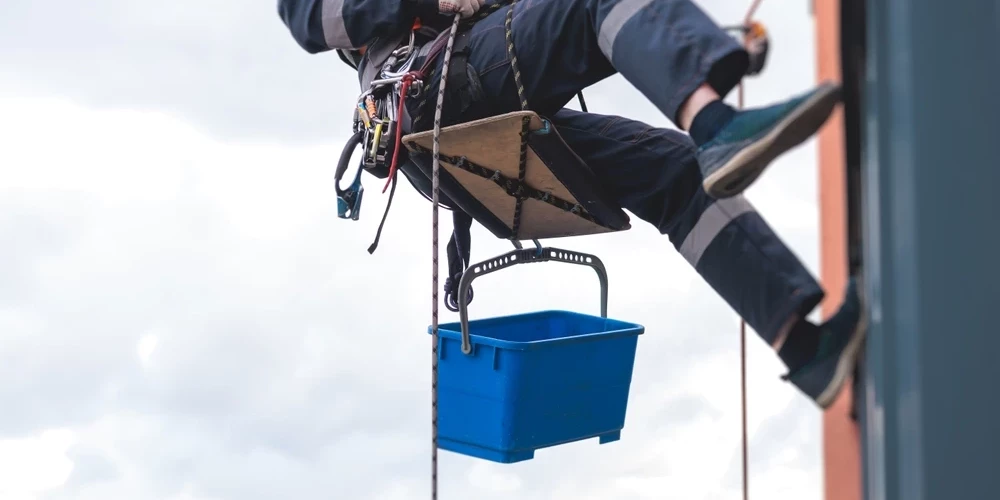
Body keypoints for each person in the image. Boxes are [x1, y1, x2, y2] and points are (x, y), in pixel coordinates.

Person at [276, 0, 867, 409]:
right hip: (430, 88)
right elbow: (303, 14)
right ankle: (716, 124)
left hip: (462, 99)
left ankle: (803, 345)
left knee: (677, 174)